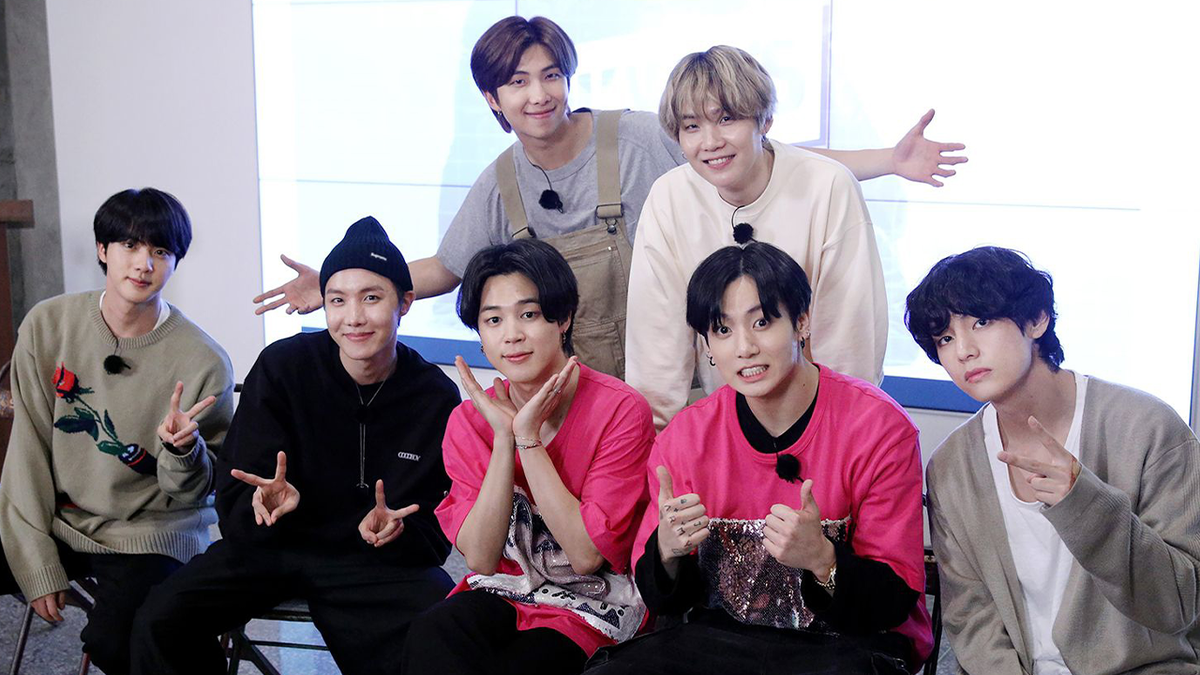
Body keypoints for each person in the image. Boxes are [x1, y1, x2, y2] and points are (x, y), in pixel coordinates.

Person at [252, 15, 966, 380]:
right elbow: (447, 266)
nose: (538, 94)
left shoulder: (639, 138)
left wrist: (887, 162)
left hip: (694, 376)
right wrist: (348, 280)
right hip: (586, 397)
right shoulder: (500, 181)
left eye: (550, 75)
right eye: (517, 82)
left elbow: (752, 154)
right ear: (492, 99)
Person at [131, 217, 460, 675]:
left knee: (441, 636)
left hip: (374, 565)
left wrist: (398, 531)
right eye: (337, 300)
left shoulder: (434, 395)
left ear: (404, 302)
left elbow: (438, 525)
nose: (353, 317)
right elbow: (236, 492)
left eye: (371, 298)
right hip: (275, 548)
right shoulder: (284, 366)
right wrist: (260, 504)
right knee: (161, 622)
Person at [589, 242, 930, 675]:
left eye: (762, 322)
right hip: (721, 642)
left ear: (801, 322)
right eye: (723, 330)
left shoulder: (879, 428)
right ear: (707, 344)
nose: (744, 347)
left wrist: (822, 558)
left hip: (845, 645)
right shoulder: (686, 438)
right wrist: (668, 552)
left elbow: (895, 603)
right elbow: (663, 602)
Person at [906, 247, 1200, 674]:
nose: (963, 350)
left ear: (1036, 320)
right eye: (945, 339)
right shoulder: (952, 466)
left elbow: (1181, 604)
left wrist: (1087, 505)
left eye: (981, 322)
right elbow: (971, 619)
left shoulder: (1147, 428)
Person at [0, 188, 235, 675]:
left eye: (160, 251)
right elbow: (28, 451)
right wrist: (36, 560)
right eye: (130, 245)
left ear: (175, 262)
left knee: (118, 641)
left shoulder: (203, 360)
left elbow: (199, 491)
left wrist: (182, 451)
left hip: (150, 531)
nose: (144, 264)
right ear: (103, 250)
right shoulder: (48, 326)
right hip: (62, 518)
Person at [403, 238, 655, 675]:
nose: (512, 335)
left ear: (564, 318)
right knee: (432, 634)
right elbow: (481, 559)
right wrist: (504, 439)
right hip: (508, 588)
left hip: (596, 602)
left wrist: (528, 439)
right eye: (493, 319)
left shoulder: (620, 410)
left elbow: (586, 557)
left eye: (529, 314)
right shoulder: (469, 422)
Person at [626, 45, 887, 430]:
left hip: (822, 419)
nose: (710, 142)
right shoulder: (668, 198)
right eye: (692, 126)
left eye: (726, 119)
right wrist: (657, 440)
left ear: (764, 120)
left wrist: (841, 433)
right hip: (729, 422)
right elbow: (655, 347)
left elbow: (850, 339)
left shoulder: (828, 185)